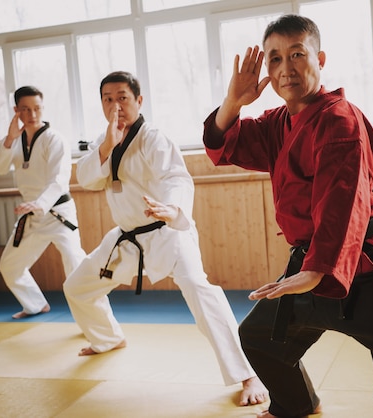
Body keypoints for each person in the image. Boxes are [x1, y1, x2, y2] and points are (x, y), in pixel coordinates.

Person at [202, 14, 373, 418]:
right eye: (274, 59)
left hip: (365, 268)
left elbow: (343, 200)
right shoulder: (279, 122)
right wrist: (233, 102)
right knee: (257, 339)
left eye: (296, 54)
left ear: (319, 58)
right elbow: (227, 146)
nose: (285, 68)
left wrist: (319, 268)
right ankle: (296, 403)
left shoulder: (340, 119)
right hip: (309, 266)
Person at [63, 71, 267, 406]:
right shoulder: (107, 140)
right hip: (126, 241)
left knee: (201, 293)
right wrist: (107, 145)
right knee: (77, 287)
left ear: (139, 101)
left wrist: (173, 209)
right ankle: (108, 337)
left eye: (123, 98)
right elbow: (87, 178)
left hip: (168, 233)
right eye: (108, 99)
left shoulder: (154, 138)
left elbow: (177, 177)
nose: (116, 106)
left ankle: (249, 374)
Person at [0, 85, 86, 319]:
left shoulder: (55, 139)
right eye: (25, 109)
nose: (32, 115)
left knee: (75, 263)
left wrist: (40, 203)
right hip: (30, 215)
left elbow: (59, 179)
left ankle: (91, 315)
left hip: (58, 213)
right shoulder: (12, 141)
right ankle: (35, 304)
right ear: (16, 111)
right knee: (10, 265)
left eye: (37, 108)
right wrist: (11, 138)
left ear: (43, 108)